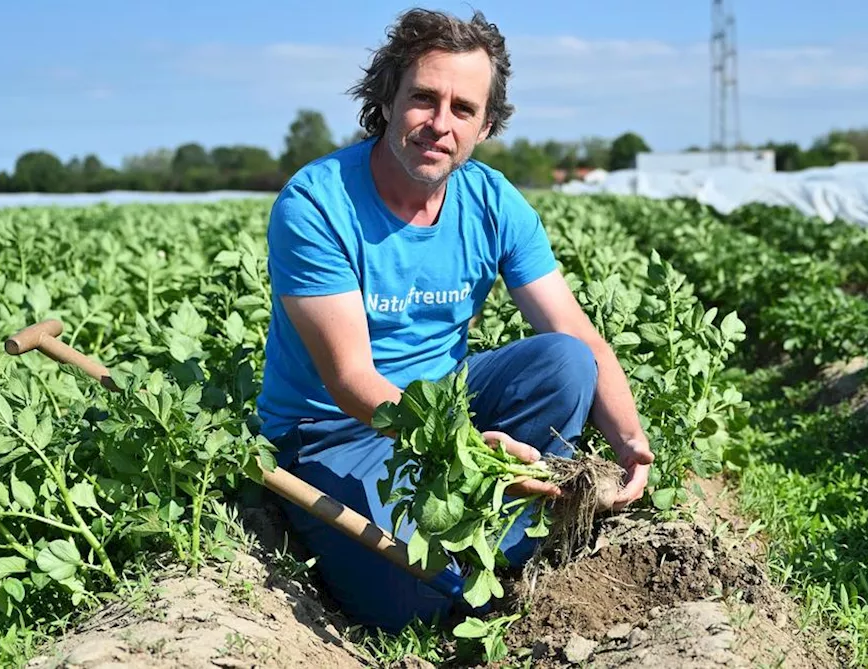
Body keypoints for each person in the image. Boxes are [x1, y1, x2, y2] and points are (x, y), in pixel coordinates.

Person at [253, 7, 654, 632]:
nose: (439, 124)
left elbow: (574, 330)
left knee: (565, 361)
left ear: (486, 124)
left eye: (463, 108)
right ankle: (481, 549)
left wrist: (631, 444)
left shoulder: (493, 201)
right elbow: (351, 380)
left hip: (445, 403)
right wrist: (467, 450)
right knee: (410, 603)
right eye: (423, 98)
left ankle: (497, 537)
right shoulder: (317, 204)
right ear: (386, 100)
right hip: (333, 433)